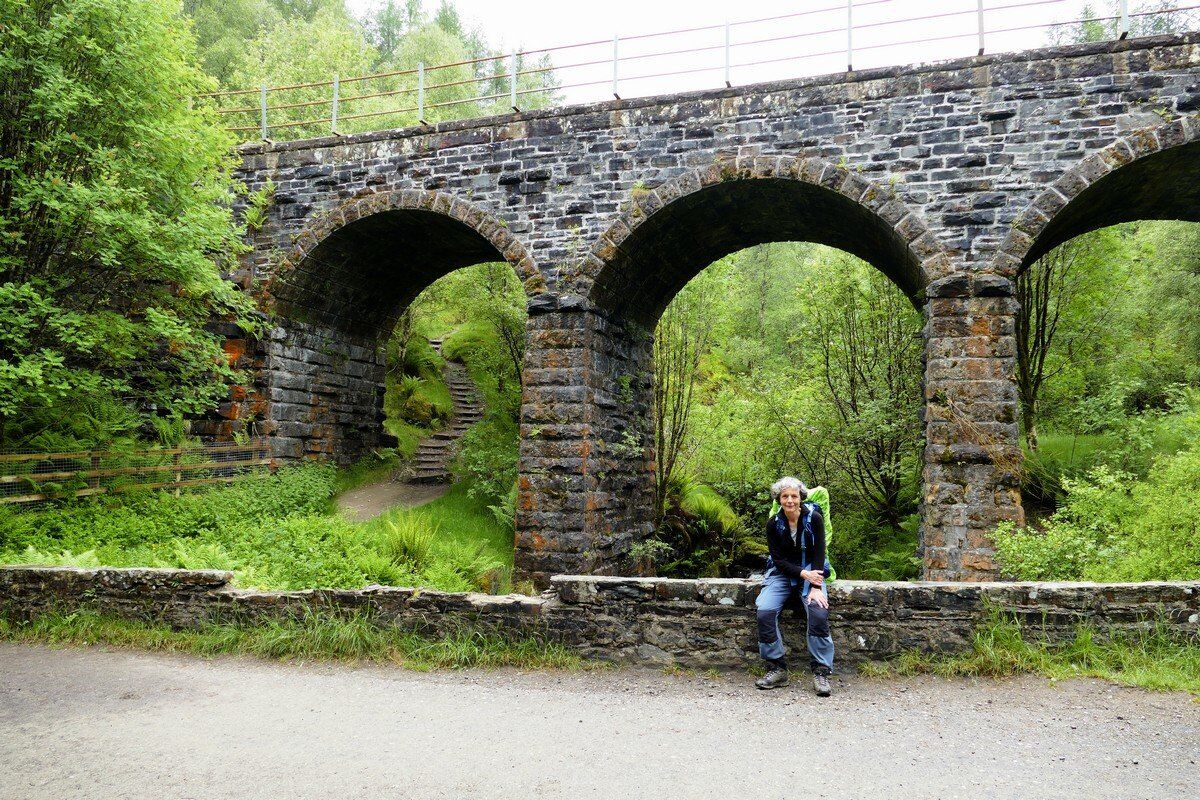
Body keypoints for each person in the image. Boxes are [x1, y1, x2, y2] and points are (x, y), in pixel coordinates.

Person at [754, 476, 834, 696]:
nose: (790, 500)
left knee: (818, 612)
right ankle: (777, 668)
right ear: (779, 500)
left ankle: (821, 671)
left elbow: (819, 552)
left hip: (812, 571)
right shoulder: (773, 524)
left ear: (800, 498)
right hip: (782, 573)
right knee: (765, 612)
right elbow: (778, 559)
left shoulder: (814, 518)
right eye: (785, 496)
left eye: (794, 496)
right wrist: (802, 573)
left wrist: (816, 585)